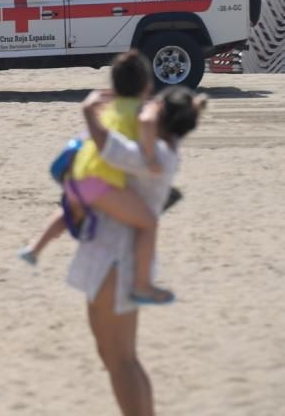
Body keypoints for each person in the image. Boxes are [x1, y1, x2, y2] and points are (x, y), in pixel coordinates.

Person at [67, 86, 206, 415]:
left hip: (115, 259)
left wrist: (89, 111)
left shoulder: (148, 156)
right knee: (118, 357)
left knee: (121, 360)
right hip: (118, 258)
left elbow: (103, 143)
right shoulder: (159, 151)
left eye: (152, 108)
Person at [19, 49, 173, 304]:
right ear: (146, 86)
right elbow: (144, 139)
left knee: (67, 213)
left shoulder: (107, 109)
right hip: (99, 182)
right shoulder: (140, 111)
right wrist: (152, 160)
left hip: (76, 176)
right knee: (148, 223)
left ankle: (34, 248)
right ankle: (142, 285)